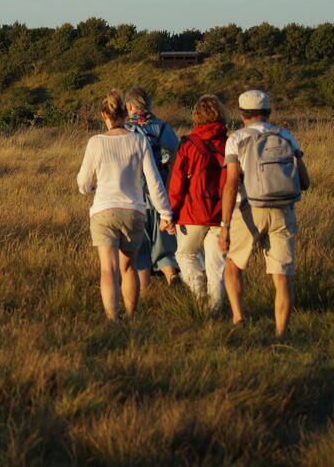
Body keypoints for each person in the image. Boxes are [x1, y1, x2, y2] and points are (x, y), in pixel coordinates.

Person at [77, 90, 174, 322]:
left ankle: (113, 319)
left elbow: (83, 182)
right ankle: (131, 316)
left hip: (103, 211)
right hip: (134, 212)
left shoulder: (95, 142)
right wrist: (165, 212)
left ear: (104, 115)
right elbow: (154, 181)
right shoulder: (139, 141)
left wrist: (89, 189)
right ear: (125, 113)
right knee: (128, 268)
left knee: (107, 269)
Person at [219, 90, 310, 337]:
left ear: (241, 113)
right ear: (269, 111)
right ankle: (282, 332)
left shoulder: (237, 138)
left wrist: (225, 225)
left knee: (233, 265)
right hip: (284, 210)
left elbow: (230, 184)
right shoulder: (286, 135)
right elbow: (304, 182)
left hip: (249, 210)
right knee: (282, 276)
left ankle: (239, 318)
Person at [168, 95, 229, 314]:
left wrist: (170, 214)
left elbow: (177, 184)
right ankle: (215, 309)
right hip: (221, 214)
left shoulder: (188, 144)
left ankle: (198, 293)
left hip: (191, 212)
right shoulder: (228, 143)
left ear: (196, 116)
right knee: (217, 265)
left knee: (185, 255)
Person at [125, 86, 181, 289]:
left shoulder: (126, 130)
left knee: (140, 249)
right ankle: (171, 275)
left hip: (135, 195)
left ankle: (145, 295)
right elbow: (175, 160)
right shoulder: (165, 128)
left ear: (129, 106)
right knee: (164, 245)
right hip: (163, 194)